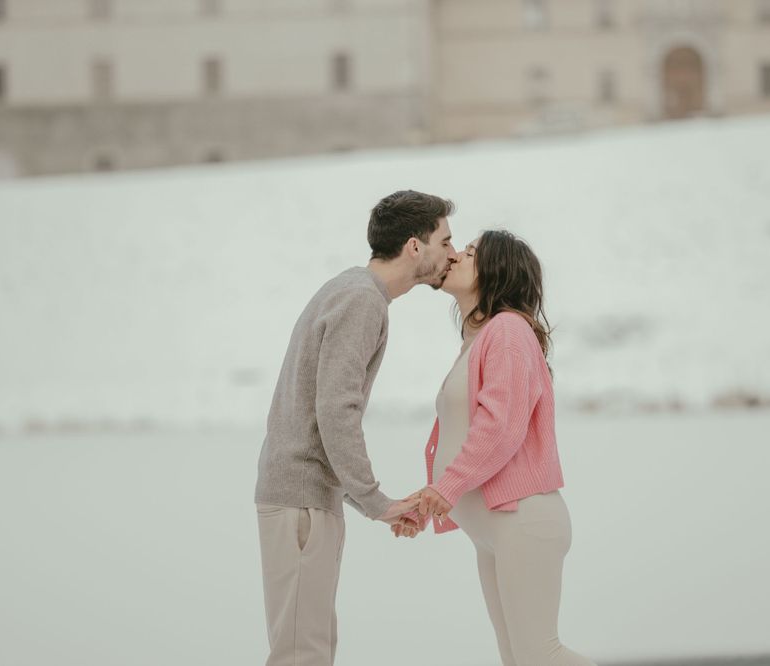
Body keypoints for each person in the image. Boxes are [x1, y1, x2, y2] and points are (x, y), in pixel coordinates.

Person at [254, 190, 456, 666]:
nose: (452, 253)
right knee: (303, 654)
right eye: (445, 241)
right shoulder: (362, 300)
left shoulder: (352, 290)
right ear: (414, 246)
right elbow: (335, 410)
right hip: (302, 501)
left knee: (308, 648)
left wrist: (364, 501)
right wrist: (373, 499)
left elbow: (316, 411)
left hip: (305, 497)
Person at [395, 230, 596, 666]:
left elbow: (500, 427)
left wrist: (446, 490)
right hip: (497, 528)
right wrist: (432, 499)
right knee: (518, 659)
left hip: (523, 518)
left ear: (495, 271)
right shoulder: (481, 339)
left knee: (539, 654)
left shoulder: (507, 331)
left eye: (470, 253)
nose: (455, 256)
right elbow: (462, 434)